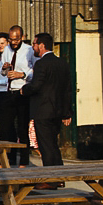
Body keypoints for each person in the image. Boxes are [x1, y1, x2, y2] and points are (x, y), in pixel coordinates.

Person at [23, 33, 73, 186]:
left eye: (35, 44)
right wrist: (67, 113)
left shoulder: (41, 64)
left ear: (42, 46)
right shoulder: (62, 63)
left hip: (43, 111)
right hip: (57, 111)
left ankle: (50, 179)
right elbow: (67, 90)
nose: (33, 47)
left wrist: (24, 89)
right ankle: (59, 178)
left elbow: (36, 86)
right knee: (53, 144)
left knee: (46, 146)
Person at [0, 25, 36, 166]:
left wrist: (21, 74)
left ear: (22, 37)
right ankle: (8, 159)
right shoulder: (6, 50)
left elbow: (35, 71)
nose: (13, 43)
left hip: (23, 92)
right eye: (11, 40)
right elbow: (3, 73)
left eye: (16, 40)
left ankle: (24, 160)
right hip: (8, 92)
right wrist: (5, 69)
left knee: (23, 128)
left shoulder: (29, 51)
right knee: (6, 128)